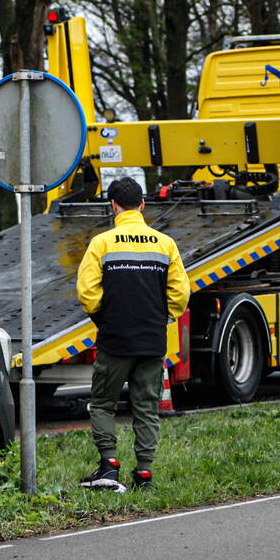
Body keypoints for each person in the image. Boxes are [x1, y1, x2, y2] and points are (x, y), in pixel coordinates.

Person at [75, 177, 190, 491]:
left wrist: (105, 318)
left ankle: (109, 466)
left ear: (113, 206)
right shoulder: (165, 244)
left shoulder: (102, 243)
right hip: (152, 341)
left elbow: (87, 292)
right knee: (146, 408)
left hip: (115, 341)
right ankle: (144, 474)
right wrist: (160, 318)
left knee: (102, 404)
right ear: (142, 205)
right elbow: (180, 294)